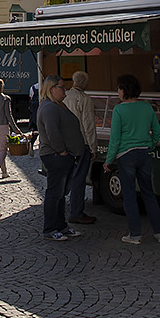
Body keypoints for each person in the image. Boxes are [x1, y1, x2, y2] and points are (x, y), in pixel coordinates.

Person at [104, 74, 160, 245]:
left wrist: (108, 160)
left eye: (118, 88)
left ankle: (135, 235)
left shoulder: (119, 110)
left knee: (129, 196)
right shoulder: (147, 107)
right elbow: (158, 132)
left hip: (126, 156)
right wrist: (150, 146)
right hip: (145, 153)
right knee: (149, 193)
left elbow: (115, 139)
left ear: (124, 90)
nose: (117, 91)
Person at [35, 81, 86, 242]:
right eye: (62, 87)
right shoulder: (50, 107)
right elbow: (52, 132)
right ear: (52, 89)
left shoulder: (58, 105)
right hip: (56, 156)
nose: (65, 90)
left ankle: (61, 225)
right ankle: (50, 228)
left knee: (60, 194)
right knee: (54, 193)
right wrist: (62, 151)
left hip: (64, 156)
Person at [63, 71, 98, 226]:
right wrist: (93, 147)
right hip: (81, 142)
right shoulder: (85, 99)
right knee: (79, 178)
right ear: (85, 83)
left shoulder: (63, 97)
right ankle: (76, 212)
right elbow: (88, 125)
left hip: (65, 143)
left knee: (67, 176)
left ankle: (65, 208)